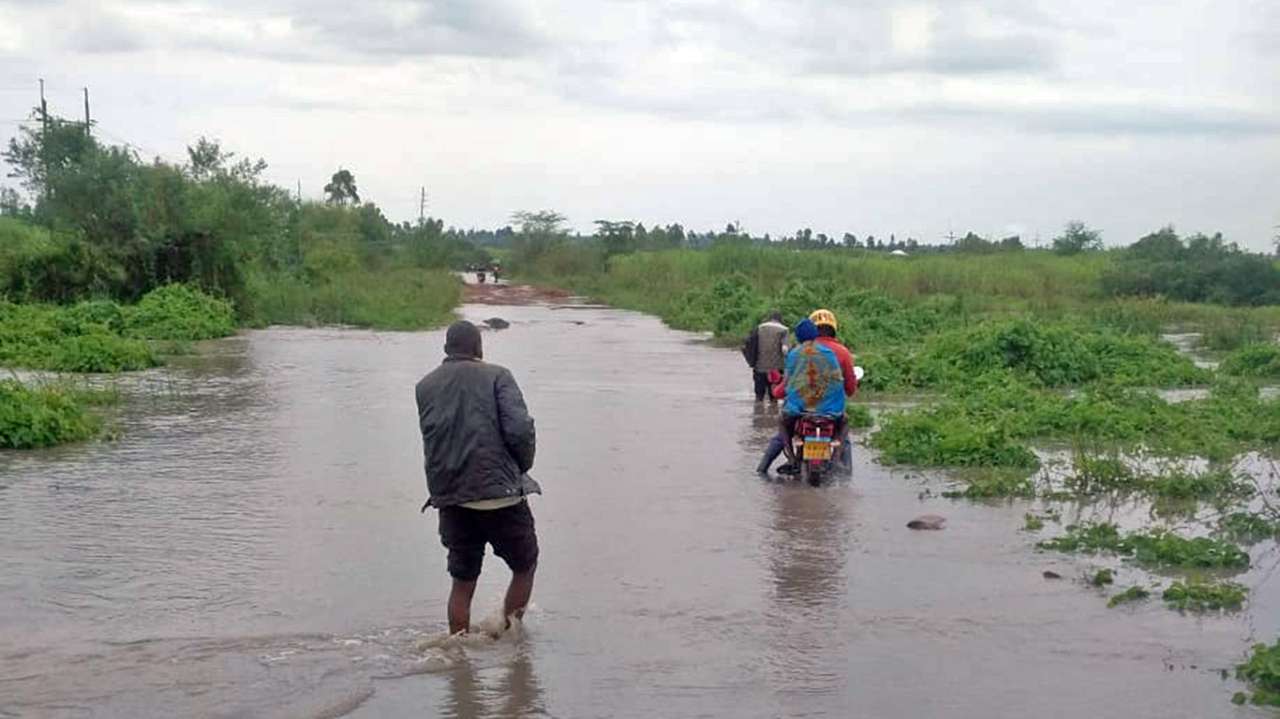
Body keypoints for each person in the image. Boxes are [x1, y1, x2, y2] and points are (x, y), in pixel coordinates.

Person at [415, 320, 540, 635]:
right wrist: (521, 469)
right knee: (525, 566)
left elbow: (435, 440)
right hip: (503, 497)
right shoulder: (498, 375)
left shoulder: (425, 386)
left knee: (462, 582)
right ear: (479, 349)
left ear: (446, 350)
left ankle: (457, 658)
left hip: (452, 500)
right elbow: (520, 431)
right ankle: (507, 638)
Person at [749, 311, 788, 402]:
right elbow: (784, 349)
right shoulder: (784, 330)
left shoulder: (760, 327)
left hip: (759, 366)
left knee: (759, 397)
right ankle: (772, 414)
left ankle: (758, 412)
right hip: (776, 368)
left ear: (770, 318)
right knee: (774, 397)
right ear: (780, 320)